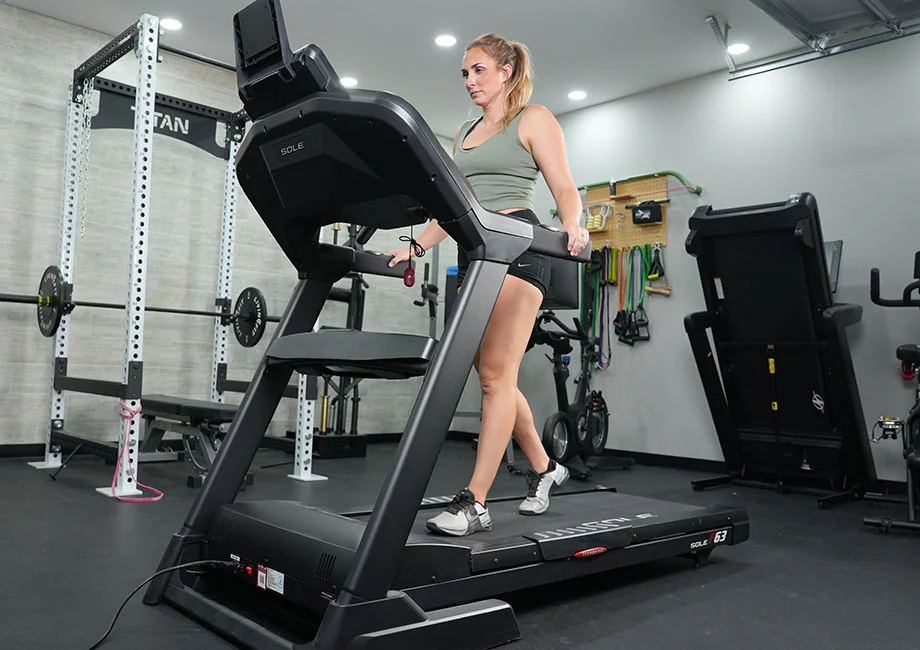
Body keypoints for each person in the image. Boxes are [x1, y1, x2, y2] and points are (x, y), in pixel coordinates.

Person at [386, 33, 589, 537]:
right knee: (496, 376)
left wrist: (574, 223)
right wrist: (416, 248)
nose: (469, 81)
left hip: (518, 248)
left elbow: (563, 183)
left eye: (478, 70)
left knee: (497, 377)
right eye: (464, 73)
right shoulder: (464, 132)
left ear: (505, 71)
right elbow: (456, 207)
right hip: (473, 252)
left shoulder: (533, 118)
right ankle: (546, 469)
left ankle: (475, 501)